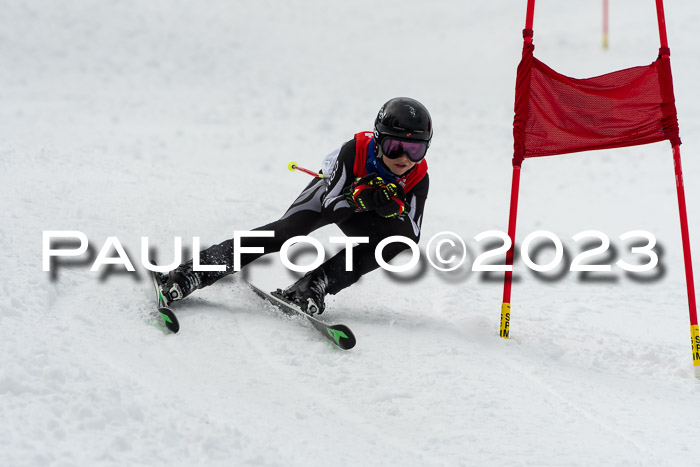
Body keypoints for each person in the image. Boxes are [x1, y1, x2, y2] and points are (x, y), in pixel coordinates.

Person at [155, 97, 432, 314]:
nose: (405, 158)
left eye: (416, 149)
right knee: (288, 232)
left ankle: (313, 286)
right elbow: (331, 207)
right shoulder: (356, 150)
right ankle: (192, 272)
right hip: (330, 195)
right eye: (396, 147)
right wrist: (359, 198)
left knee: (395, 244)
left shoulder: (418, 177)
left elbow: (411, 234)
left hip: (361, 211)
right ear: (378, 140)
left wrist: (393, 210)